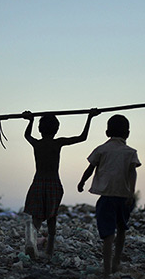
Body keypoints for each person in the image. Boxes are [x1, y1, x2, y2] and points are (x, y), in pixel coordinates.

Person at [23, 108, 100, 259]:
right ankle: (49, 252)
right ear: (57, 129)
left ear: (39, 129)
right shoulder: (58, 143)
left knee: (36, 218)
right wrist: (90, 117)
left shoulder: (37, 144)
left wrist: (30, 120)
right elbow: (82, 137)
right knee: (52, 217)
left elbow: (26, 135)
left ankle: (31, 243)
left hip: (38, 183)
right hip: (53, 184)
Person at [77, 114, 140, 277]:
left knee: (108, 235)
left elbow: (90, 168)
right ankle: (116, 262)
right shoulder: (130, 152)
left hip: (106, 198)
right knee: (121, 230)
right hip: (123, 198)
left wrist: (82, 182)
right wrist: (131, 193)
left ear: (107, 132)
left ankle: (106, 270)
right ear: (127, 133)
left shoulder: (101, 149)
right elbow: (132, 173)